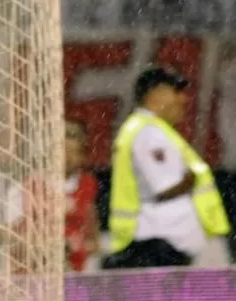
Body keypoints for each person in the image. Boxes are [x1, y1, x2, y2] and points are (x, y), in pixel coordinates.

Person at [104, 65, 231, 269]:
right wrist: (190, 180)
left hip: (164, 240)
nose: (183, 99)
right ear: (155, 94)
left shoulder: (146, 129)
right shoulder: (148, 132)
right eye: (176, 91)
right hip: (162, 242)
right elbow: (166, 188)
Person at [61, 119, 100, 272]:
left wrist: (90, 241)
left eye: (73, 152)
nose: (68, 158)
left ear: (83, 156)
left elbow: (91, 216)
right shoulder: (34, 184)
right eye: (64, 151)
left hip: (78, 263)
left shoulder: (87, 183)